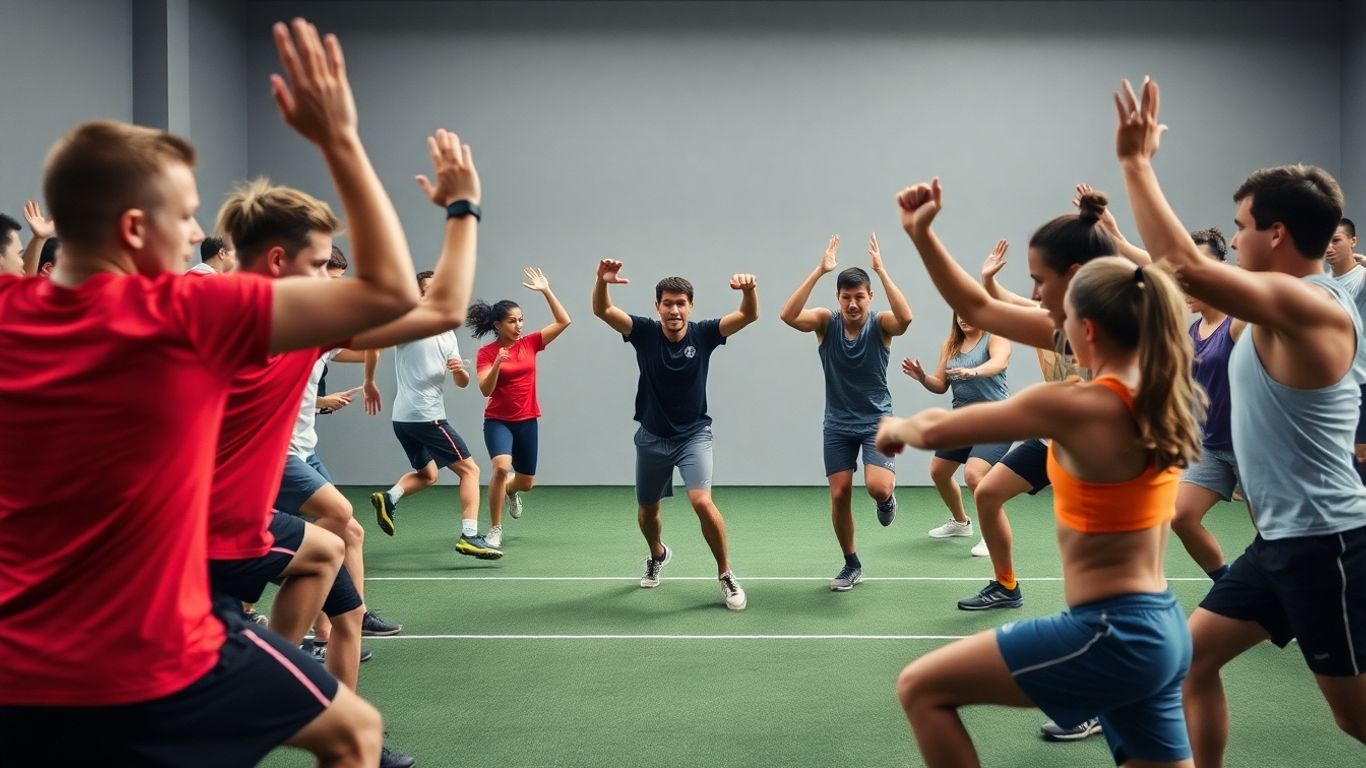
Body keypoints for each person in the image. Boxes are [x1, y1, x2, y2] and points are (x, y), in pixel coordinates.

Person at [0, 19, 419, 766]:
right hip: (149, 658)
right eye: (187, 214)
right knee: (357, 736)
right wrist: (340, 139)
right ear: (134, 228)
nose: (199, 235)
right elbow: (390, 289)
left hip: (17, 667)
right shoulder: (186, 315)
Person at [1114, 76, 1366, 762]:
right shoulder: (1262, 312)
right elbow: (1176, 278)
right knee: (1190, 663)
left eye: (1243, 226)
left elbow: (1187, 271)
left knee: (1355, 721)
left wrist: (1137, 165)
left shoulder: (1315, 308)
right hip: (1279, 542)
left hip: (1326, 546)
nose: (1234, 236)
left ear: (1276, 233)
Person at [881, 252, 1204, 768]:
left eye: (1066, 321)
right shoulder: (1158, 387)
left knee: (922, 687)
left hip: (1110, 631)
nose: (1055, 329)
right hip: (1161, 629)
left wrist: (899, 429)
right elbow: (982, 306)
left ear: (1090, 330)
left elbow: (941, 429)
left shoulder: (1075, 405)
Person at [592, 259, 757, 610]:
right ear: (658, 307)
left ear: (690, 306)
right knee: (647, 512)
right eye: (668, 303)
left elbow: (747, 316)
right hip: (652, 437)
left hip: (694, 436)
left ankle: (725, 574)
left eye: (681, 303)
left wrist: (749, 292)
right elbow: (602, 309)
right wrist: (601, 281)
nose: (674, 309)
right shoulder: (644, 332)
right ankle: (657, 554)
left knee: (701, 501)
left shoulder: (705, 334)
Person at [778, 233, 913, 591]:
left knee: (877, 487)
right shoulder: (826, 322)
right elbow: (787, 315)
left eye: (860, 297)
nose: (853, 304)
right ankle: (851, 563)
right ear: (838, 299)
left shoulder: (881, 325)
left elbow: (907, 317)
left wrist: (881, 271)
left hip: (878, 421)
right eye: (846, 297)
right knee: (839, 495)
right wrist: (820, 271)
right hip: (837, 423)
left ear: (870, 297)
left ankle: (887, 499)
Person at [368, 269, 503, 559]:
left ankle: (388, 498)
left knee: (428, 474)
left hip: (404, 419)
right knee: (471, 471)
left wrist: (460, 372)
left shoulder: (446, 334)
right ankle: (469, 536)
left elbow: (462, 382)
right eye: (426, 289)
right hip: (424, 416)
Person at [462, 266, 573, 548]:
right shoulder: (486, 353)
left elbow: (564, 321)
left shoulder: (531, 344)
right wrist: (499, 362)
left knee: (525, 482)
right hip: (498, 421)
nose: (519, 325)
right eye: (512, 321)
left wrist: (546, 290)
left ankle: (511, 491)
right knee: (500, 468)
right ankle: (495, 529)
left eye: (521, 320)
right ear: (497, 325)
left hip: (527, 420)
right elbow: (485, 388)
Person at [1171, 228, 1245, 581]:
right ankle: (1226, 583)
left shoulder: (1238, 322)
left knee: (1276, 539)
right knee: (1181, 517)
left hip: (1251, 447)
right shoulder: (1192, 332)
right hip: (1211, 446)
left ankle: (1299, 608)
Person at [902, 312, 1011, 541]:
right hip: (962, 422)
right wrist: (923, 378)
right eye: (958, 314)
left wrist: (974, 371)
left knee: (973, 475)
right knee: (939, 472)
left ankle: (992, 537)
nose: (963, 318)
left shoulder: (994, 338)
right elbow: (941, 385)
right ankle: (961, 523)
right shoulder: (950, 345)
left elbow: (999, 363)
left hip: (996, 420)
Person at [1327, 217, 1366, 484]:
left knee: (1360, 457)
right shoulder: (1324, 282)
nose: (1329, 247)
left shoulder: (1362, 277)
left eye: (1336, 240)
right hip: (1330, 383)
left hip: (1360, 382)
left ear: (1353, 241)